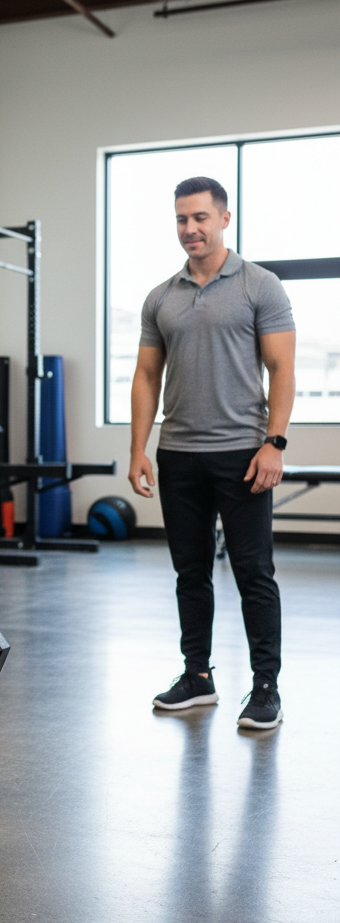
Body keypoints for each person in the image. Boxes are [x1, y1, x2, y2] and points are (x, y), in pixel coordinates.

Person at [128, 176, 296, 731]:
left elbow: (282, 370)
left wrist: (274, 443)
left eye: (200, 217)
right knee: (189, 572)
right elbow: (147, 376)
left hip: (243, 454)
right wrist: (139, 449)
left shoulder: (259, 285)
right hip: (179, 453)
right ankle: (197, 676)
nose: (190, 229)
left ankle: (266, 687)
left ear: (224, 218)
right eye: (181, 219)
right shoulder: (162, 296)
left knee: (253, 572)